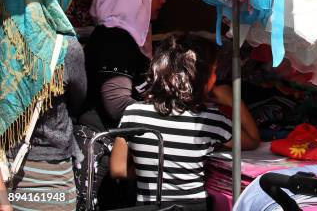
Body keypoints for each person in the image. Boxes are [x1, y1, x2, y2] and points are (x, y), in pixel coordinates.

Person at [109, 34, 260, 208]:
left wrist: (152, 170)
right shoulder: (210, 121)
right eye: (214, 71)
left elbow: (118, 169)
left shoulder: (133, 113)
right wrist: (235, 101)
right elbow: (253, 140)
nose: (216, 78)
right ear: (201, 77)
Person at [73, 0, 166, 210]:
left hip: (113, 155)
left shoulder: (121, 36)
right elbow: (116, 103)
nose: (162, 0)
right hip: (104, 160)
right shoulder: (115, 41)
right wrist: (168, 116)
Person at [0, 0, 87, 211]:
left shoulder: (4, 42)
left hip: (6, 177)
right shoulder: (66, 49)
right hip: (51, 184)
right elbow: (78, 101)